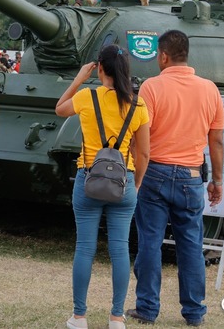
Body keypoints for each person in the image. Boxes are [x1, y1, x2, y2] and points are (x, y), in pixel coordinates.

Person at [127, 30, 224, 327]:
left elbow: (139, 135)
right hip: (191, 176)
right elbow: (217, 140)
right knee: (191, 245)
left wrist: (135, 173)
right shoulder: (209, 89)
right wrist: (217, 180)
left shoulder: (152, 87)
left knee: (150, 242)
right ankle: (194, 312)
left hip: (154, 172)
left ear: (164, 56)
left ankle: (147, 308)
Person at [55, 46, 150, 329]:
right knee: (120, 249)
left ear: (99, 68)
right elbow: (144, 153)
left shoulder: (87, 96)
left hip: (89, 179)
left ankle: (79, 316)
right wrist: (136, 183)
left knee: (85, 248)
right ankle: (117, 317)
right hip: (124, 182)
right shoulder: (138, 105)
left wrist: (78, 79)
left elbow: (60, 109)